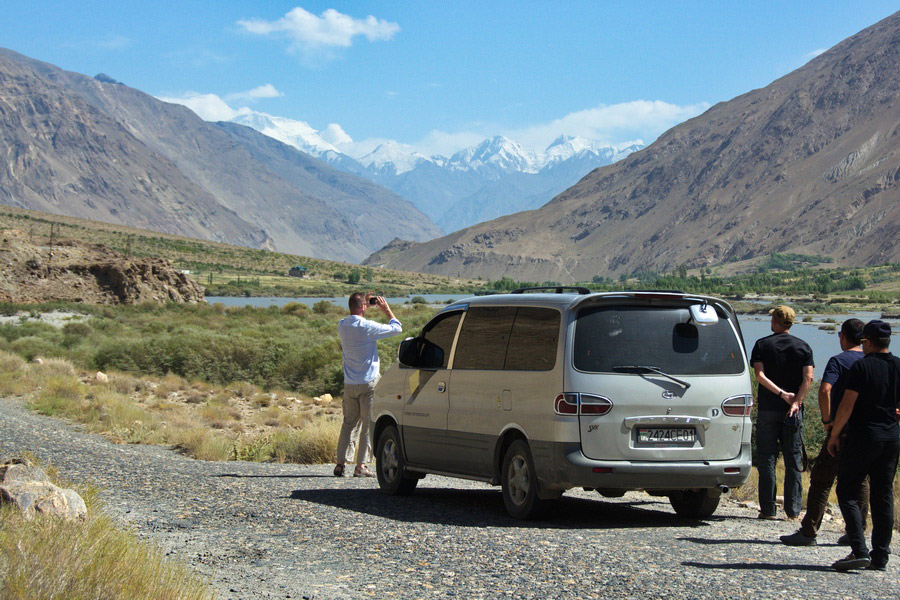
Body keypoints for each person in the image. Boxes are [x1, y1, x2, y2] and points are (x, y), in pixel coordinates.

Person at [780, 318, 868, 546]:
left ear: (843, 336)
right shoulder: (871, 361)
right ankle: (856, 532)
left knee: (821, 480)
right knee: (861, 482)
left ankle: (809, 531)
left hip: (841, 429)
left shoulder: (839, 361)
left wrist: (828, 420)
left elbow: (825, 390)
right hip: (867, 432)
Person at [827, 320, 900, 572]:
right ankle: (880, 556)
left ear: (867, 342)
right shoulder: (898, 365)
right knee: (883, 496)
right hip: (890, 439)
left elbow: (847, 405)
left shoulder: (862, 367)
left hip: (862, 437)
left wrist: (835, 434)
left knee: (846, 491)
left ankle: (859, 550)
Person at [750, 305, 814, 520]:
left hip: (769, 408)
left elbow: (759, 375)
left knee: (767, 458)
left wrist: (780, 394)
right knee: (793, 459)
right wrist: (796, 401)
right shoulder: (803, 346)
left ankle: (768, 510)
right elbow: (809, 378)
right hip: (793, 412)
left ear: (775, 322)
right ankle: (793, 511)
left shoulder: (762, 345)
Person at [334, 292, 402, 478]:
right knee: (367, 425)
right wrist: (386, 309)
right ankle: (361, 466)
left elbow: (356, 317)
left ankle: (341, 464)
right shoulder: (368, 327)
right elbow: (397, 329)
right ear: (364, 306)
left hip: (350, 383)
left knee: (348, 423)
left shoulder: (342, 325)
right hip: (368, 382)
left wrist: (364, 305)